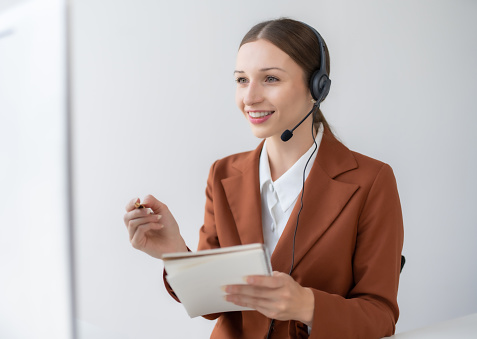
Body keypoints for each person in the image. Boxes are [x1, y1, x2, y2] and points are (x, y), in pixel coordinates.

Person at [123, 18, 404, 339]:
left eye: (270, 78)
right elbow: (215, 305)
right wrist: (174, 253)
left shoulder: (371, 181)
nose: (250, 97)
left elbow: (381, 315)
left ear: (318, 88)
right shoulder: (223, 173)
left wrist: (307, 305)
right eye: (242, 80)